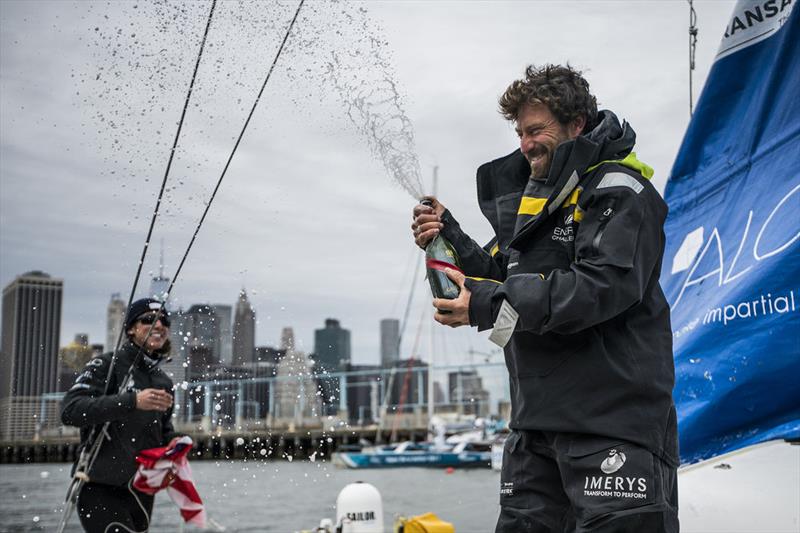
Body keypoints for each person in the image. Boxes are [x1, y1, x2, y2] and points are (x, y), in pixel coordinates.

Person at [412, 64, 679, 532]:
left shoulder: (621, 191)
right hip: (533, 434)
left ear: (576, 124)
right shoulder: (535, 205)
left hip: (611, 428)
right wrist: (448, 234)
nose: (525, 144)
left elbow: (597, 289)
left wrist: (486, 305)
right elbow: (504, 277)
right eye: (519, 133)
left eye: (536, 130)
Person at [61, 297, 179, 532]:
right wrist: (133, 401)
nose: (159, 325)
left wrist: (173, 443)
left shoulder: (163, 381)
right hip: (100, 487)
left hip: (141, 491)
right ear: (131, 329)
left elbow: (162, 430)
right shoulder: (105, 365)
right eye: (148, 320)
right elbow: (71, 411)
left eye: (164, 321)